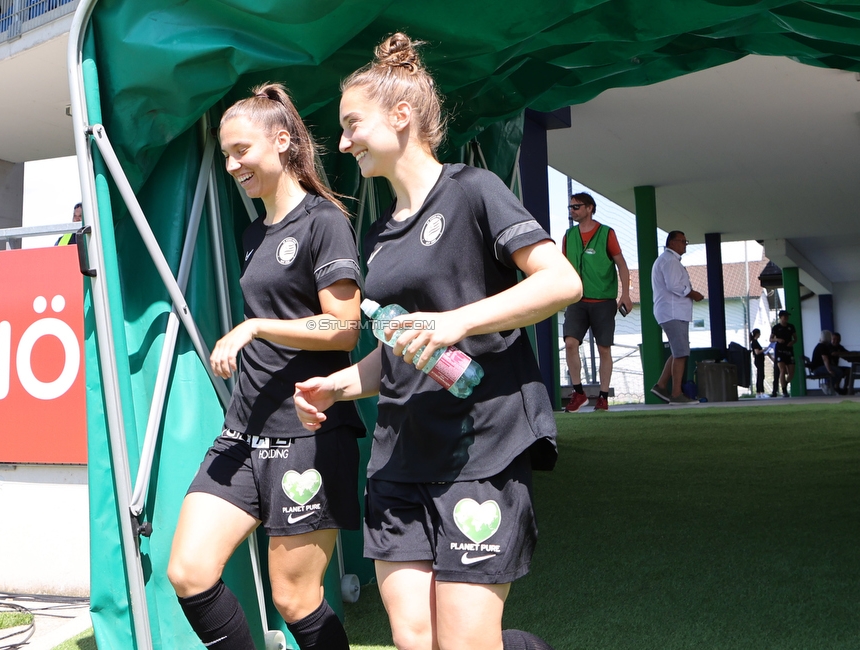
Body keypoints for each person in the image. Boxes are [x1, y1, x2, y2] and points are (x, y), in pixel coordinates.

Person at [294, 33, 581, 650]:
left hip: (481, 446)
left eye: (352, 125)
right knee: (413, 640)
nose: (343, 143)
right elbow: (401, 344)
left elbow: (562, 282)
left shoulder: (473, 189)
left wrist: (458, 321)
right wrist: (339, 385)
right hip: (399, 454)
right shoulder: (378, 234)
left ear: (401, 117)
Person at [166, 83, 365, 650]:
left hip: (306, 433)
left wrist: (254, 327)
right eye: (226, 155)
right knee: (190, 571)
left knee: (295, 599)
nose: (232, 166)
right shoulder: (254, 233)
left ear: (282, 141)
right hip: (243, 430)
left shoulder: (324, 221)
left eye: (241, 151)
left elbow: (344, 326)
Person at [561, 192, 632, 412]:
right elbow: (562, 266)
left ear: (590, 208)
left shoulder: (606, 233)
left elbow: (621, 264)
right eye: (570, 207)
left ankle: (603, 396)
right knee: (570, 343)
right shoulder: (568, 235)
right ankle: (578, 392)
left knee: (604, 348)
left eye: (577, 207)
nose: (572, 211)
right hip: (576, 300)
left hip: (603, 301)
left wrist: (626, 294)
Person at [650, 231, 703, 404]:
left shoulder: (668, 260)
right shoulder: (669, 260)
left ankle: (661, 385)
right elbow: (674, 285)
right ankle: (676, 393)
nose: (685, 244)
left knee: (678, 350)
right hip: (673, 311)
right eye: (682, 241)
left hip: (673, 312)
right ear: (671, 242)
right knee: (681, 352)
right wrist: (692, 293)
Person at [770, 310, 796, 397]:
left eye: (787, 316)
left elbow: (795, 338)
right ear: (780, 317)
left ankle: (785, 383)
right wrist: (777, 339)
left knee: (791, 372)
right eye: (784, 316)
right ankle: (784, 390)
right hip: (779, 351)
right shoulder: (776, 327)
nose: (786, 318)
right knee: (782, 370)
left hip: (789, 350)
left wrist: (792, 342)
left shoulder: (791, 327)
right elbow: (771, 339)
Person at [808, 330, 843, 395]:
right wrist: (829, 370)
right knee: (839, 371)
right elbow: (825, 359)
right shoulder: (822, 346)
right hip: (818, 369)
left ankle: (830, 386)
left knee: (838, 371)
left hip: (817, 368)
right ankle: (830, 386)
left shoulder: (820, 345)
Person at [749, 328, 767, 398]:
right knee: (760, 376)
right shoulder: (755, 342)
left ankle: (759, 392)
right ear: (757, 334)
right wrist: (764, 350)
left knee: (760, 375)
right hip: (758, 361)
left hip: (759, 360)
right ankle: (761, 392)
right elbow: (757, 352)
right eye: (759, 333)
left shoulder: (754, 342)